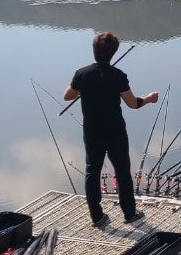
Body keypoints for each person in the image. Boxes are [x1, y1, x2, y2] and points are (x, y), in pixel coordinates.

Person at [63, 32, 159, 228]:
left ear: (94, 50)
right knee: (122, 172)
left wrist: (84, 87)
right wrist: (149, 98)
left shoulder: (82, 74)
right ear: (113, 53)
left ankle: (97, 217)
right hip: (115, 132)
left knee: (92, 172)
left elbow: (67, 96)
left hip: (92, 133)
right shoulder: (118, 76)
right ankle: (130, 214)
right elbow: (133, 104)